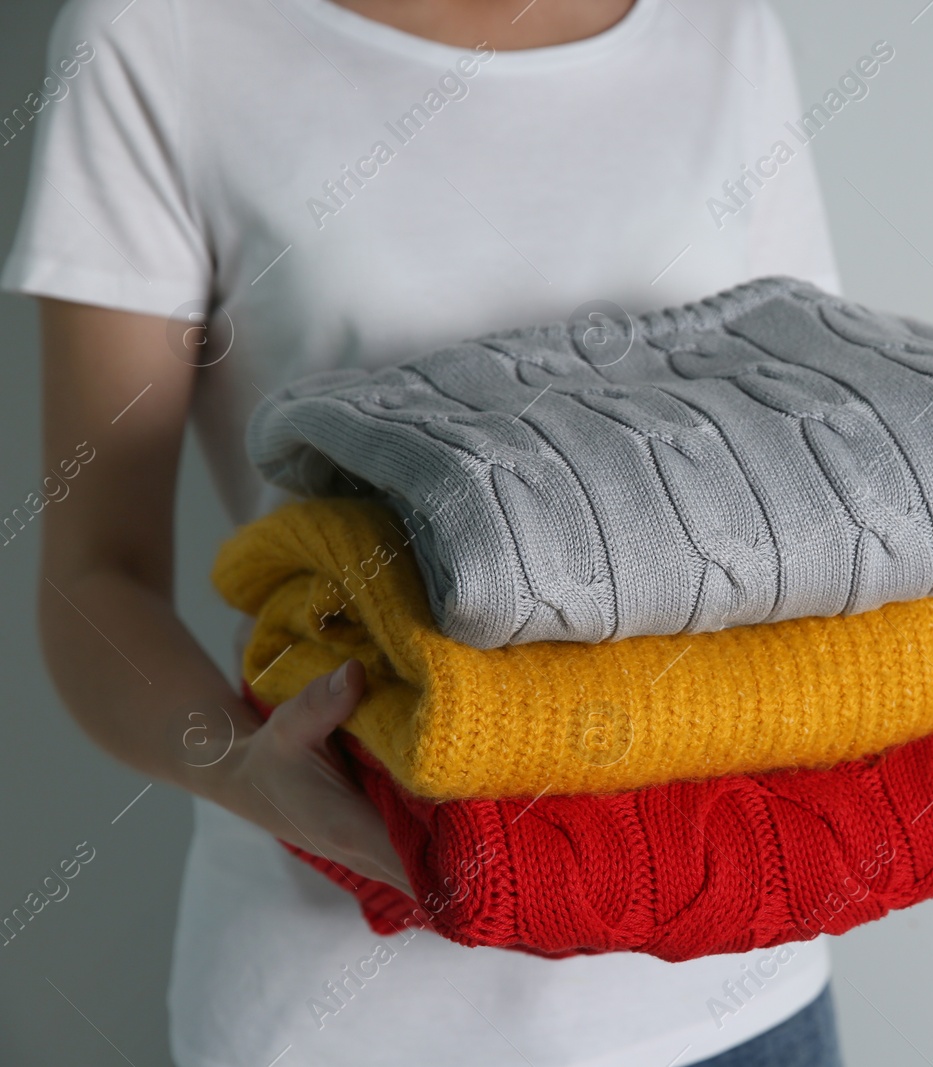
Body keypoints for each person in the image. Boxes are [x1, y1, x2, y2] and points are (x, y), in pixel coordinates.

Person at [5, 0, 849, 1062]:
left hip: (737, 990)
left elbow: (812, 481)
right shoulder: (164, 32)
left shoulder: (722, 28)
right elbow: (96, 567)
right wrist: (239, 766)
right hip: (343, 1009)